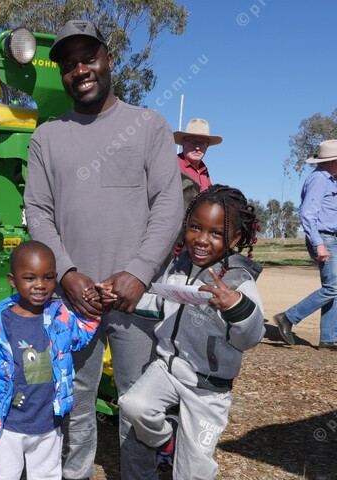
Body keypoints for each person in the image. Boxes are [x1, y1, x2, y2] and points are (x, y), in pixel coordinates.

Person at [24, 19, 183, 480]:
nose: (80, 70)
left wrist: (138, 271)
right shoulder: (47, 136)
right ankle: (74, 474)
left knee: (138, 402)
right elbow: (38, 212)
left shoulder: (148, 125)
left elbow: (168, 204)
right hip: (72, 300)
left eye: (88, 58)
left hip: (137, 298)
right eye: (69, 64)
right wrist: (67, 274)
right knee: (73, 399)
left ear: (108, 60)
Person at [111, 185, 265, 479]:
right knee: (133, 405)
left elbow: (250, 337)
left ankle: (185, 457)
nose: (202, 239)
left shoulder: (238, 282)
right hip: (167, 369)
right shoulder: (178, 266)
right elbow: (160, 302)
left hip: (208, 387)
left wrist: (235, 307)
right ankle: (166, 440)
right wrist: (123, 298)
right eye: (195, 227)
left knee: (193, 469)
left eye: (216, 233)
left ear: (234, 238)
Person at [0, 241, 101, 480]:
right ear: (12, 280)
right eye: (29, 278)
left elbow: (80, 334)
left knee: (47, 475)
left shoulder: (59, 317)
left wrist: (97, 307)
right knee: (3, 476)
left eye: (48, 277)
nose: (40, 285)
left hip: (48, 423)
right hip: (8, 425)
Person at [274, 139, 337, 351]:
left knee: (334, 288)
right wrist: (318, 244)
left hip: (330, 238)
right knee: (333, 287)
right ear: (334, 161)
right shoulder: (319, 179)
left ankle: (329, 339)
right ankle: (288, 317)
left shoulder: (330, 180)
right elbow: (307, 214)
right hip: (324, 238)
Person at [174, 118, 223, 210]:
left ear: (207, 146)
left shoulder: (204, 171)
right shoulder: (173, 165)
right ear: (183, 143)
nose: (197, 147)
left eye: (202, 143)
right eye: (193, 142)